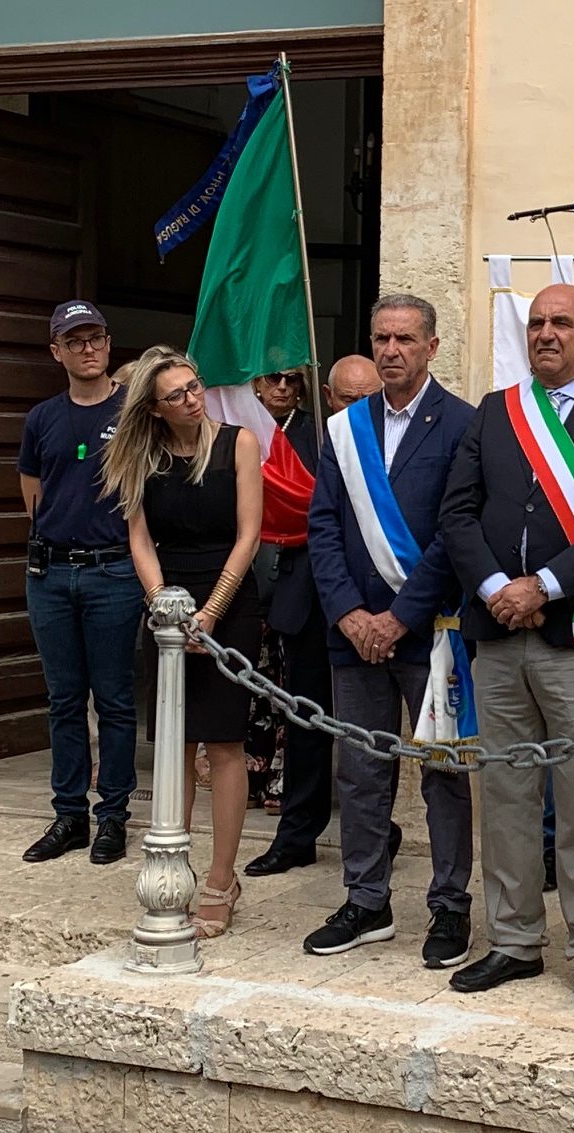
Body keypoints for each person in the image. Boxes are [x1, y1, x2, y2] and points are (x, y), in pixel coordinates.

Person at [440, 283, 574, 1013]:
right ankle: (512, 943)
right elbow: (457, 513)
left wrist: (546, 586)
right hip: (499, 633)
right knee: (503, 795)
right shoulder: (495, 412)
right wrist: (502, 585)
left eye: (561, 323)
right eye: (536, 322)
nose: (545, 334)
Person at [301, 296, 477, 968]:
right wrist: (350, 613)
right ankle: (366, 899)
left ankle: (450, 907)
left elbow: (455, 532)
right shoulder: (346, 428)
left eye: (406, 338)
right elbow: (324, 527)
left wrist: (400, 617)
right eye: (382, 338)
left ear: (432, 346)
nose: (392, 350)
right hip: (354, 633)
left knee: (443, 773)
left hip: (432, 630)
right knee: (361, 773)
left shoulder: (463, 424)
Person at [100, 345, 263, 937]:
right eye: (177, 395)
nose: (193, 399)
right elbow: (138, 538)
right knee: (176, 742)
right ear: (154, 406)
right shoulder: (142, 455)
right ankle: (177, 866)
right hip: (169, 603)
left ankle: (222, 877)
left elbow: (249, 535)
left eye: (195, 386)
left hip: (229, 596)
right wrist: (165, 606)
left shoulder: (239, 442)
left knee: (222, 743)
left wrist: (213, 611)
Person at [19, 301, 142, 866]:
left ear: (109, 344)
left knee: (115, 701)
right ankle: (67, 812)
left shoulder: (134, 412)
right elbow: (33, 489)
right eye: (75, 341)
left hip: (113, 570)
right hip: (51, 573)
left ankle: (111, 815)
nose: (87, 349)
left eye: (96, 338)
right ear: (56, 352)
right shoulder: (42, 417)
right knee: (64, 700)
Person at [243, 368, 338, 878]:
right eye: (272, 378)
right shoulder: (247, 430)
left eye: (291, 380)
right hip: (297, 594)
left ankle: (379, 829)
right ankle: (297, 835)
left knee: (371, 729)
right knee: (303, 723)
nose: (282, 388)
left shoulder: (323, 430)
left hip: (372, 600)